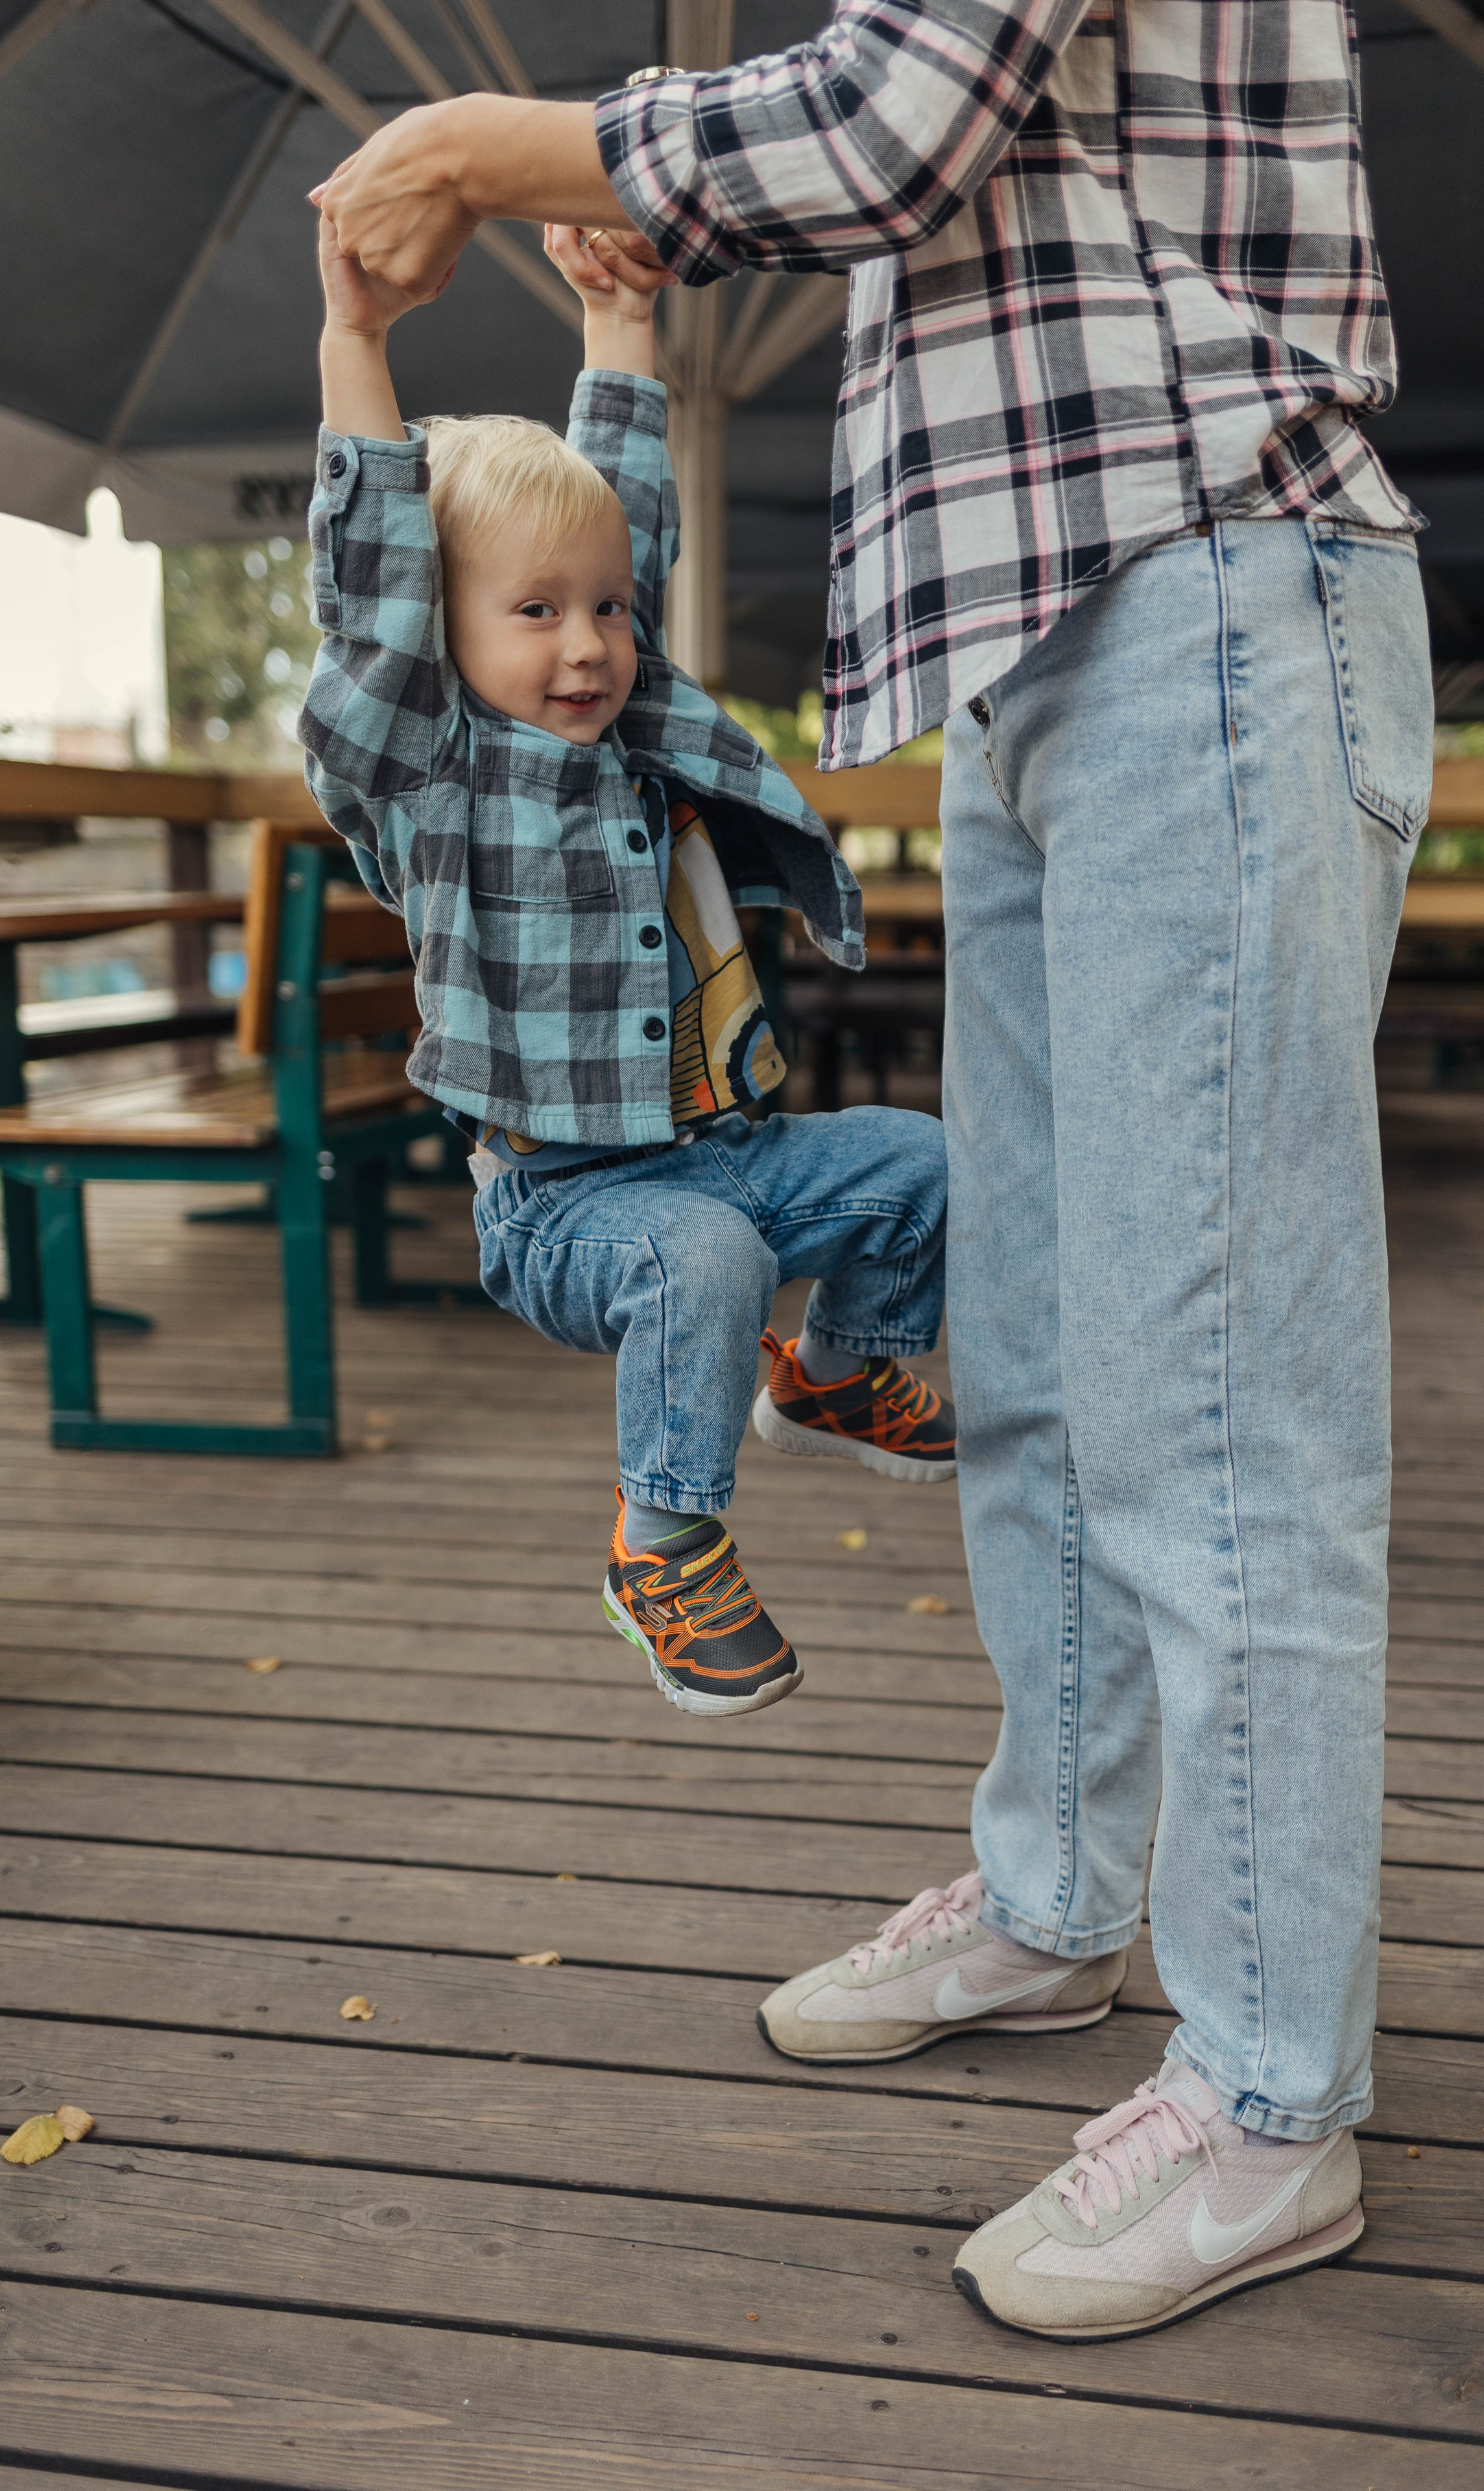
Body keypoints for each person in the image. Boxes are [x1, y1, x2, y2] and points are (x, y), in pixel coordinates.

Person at [315, 0, 1435, 2341]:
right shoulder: (435, 733)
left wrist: (489, 146)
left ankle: (1260, 2103)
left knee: (1218, 1406)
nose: (587, 640)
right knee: (1028, 1336)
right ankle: (1052, 1901)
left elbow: (902, 117)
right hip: (1037, 647)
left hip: (1209, 570)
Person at [299, 211, 956, 1722]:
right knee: (705, 1262)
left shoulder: (635, 719)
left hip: (730, 1155)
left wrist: (619, 327)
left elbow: (628, 534)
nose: (587, 643)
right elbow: (376, 596)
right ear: (436, 637)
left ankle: (834, 1372)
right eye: (532, 613)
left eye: (598, 611)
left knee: (924, 1164)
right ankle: (662, 1540)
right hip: (568, 1206)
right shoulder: (431, 770)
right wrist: (356, 345)